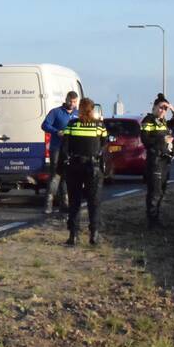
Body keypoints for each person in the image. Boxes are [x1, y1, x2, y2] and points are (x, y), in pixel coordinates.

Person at [57, 97, 108, 245]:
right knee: (94, 202)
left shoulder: (72, 125)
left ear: (79, 109)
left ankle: (73, 235)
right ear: (92, 110)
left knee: (74, 202)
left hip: (75, 166)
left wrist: (61, 168)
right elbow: (104, 145)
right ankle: (94, 234)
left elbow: (64, 147)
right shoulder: (99, 126)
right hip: (93, 167)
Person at [140, 93, 174, 228]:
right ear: (154, 107)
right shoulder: (148, 120)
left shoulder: (164, 122)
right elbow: (145, 140)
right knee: (155, 191)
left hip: (165, 161)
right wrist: (162, 140)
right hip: (155, 161)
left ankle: (156, 218)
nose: (162, 111)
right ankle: (152, 221)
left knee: (162, 190)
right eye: (160, 107)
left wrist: (172, 108)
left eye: (165, 109)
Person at [41, 91, 79, 214]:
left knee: (66, 176)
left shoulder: (77, 114)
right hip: (57, 147)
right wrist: (56, 131)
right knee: (55, 176)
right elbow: (45, 125)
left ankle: (65, 204)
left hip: (71, 149)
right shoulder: (56, 112)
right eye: (70, 101)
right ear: (66, 99)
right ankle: (48, 205)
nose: (72, 104)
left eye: (74, 102)